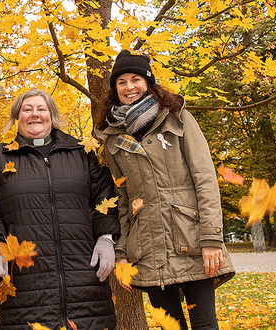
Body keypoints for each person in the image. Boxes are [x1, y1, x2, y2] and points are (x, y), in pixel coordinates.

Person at [93, 50, 235, 330]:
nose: (129, 87)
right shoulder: (111, 139)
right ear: (114, 89)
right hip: (148, 247)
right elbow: (122, 199)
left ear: (148, 83)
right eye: (121, 82)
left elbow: (204, 179)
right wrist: (121, 250)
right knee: (170, 325)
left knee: (205, 322)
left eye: (136, 79)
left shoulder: (177, 118)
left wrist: (211, 238)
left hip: (190, 238)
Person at [0, 88, 121, 330]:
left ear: (52, 116)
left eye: (41, 109)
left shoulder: (81, 151)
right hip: (26, 283)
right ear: (16, 117)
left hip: (84, 279)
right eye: (27, 109)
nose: (35, 115)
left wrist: (106, 238)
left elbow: (104, 195)